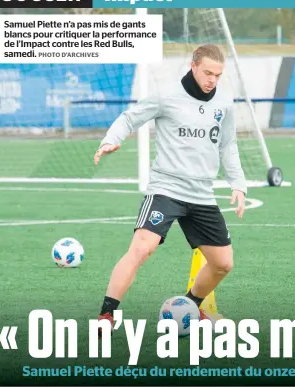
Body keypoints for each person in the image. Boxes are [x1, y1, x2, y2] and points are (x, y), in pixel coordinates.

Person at [93, 44, 247, 334]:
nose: (212, 79)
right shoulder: (167, 96)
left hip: (202, 193)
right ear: (193, 66)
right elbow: (130, 118)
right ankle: (106, 315)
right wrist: (110, 140)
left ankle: (191, 307)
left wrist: (237, 184)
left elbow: (228, 145)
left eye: (218, 74)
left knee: (223, 264)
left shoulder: (224, 104)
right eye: (207, 73)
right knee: (142, 248)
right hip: (166, 187)